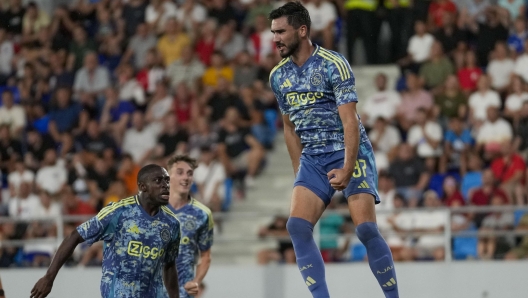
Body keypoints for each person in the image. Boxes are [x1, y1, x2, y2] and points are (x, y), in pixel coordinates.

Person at [268, 2, 399, 298]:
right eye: (272, 32)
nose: (274, 39)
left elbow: (349, 121)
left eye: (280, 32)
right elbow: (289, 128)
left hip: (349, 150)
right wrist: (299, 173)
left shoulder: (333, 63)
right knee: (297, 227)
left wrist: (349, 166)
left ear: (302, 31)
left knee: (365, 230)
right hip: (313, 158)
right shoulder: (278, 76)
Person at [30, 165, 181, 298]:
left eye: (167, 180)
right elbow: (75, 236)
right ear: (142, 187)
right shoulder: (119, 212)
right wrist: (49, 277)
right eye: (158, 180)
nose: (165, 185)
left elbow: (169, 264)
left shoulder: (171, 223)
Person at [167, 155, 214, 298]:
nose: (185, 177)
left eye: (189, 173)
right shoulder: (150, 210)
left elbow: (205, 255)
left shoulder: (202, 214)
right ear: (168, 176)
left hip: (182, 292)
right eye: (180, 172)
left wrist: (196, 281)